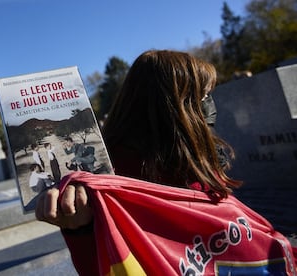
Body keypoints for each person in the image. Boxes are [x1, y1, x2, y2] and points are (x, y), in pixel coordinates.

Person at [35, 50, 296, 275]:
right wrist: (80, 229)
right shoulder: (114, 175)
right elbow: (109, 264)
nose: (210, 105)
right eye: (203, 97)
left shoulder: (190, 152)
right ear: (174, 105)